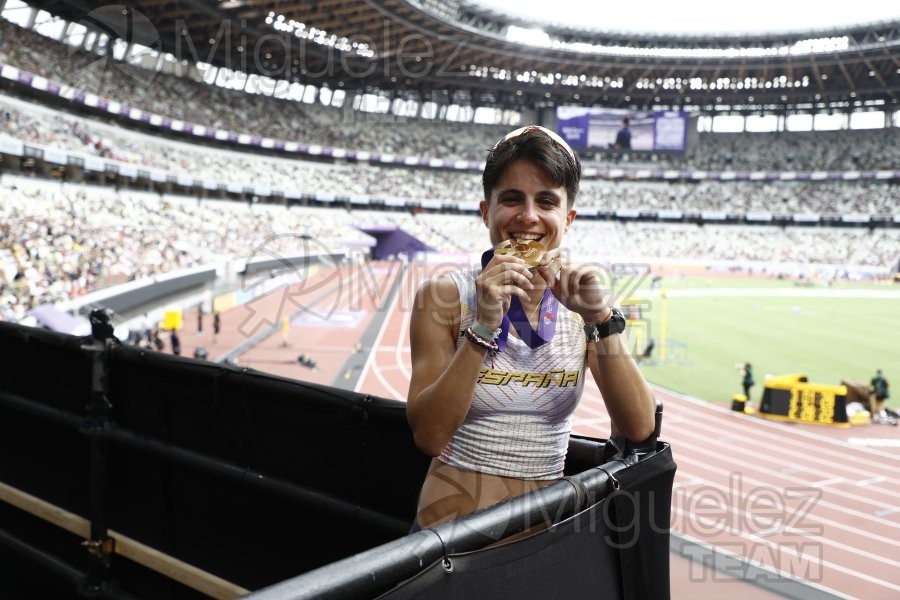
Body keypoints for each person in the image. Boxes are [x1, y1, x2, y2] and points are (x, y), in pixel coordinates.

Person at [406, 125, 656, 531]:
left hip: (541, 540)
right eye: (511, 199)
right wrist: (484, 327)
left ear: (567, 218)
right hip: (448, 538)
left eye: (546, 201)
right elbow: (430, 437)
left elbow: (639, 428)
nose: (528, 216)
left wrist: (601, 320)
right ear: (486, 211)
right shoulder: (443, 296)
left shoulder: (582, 303)